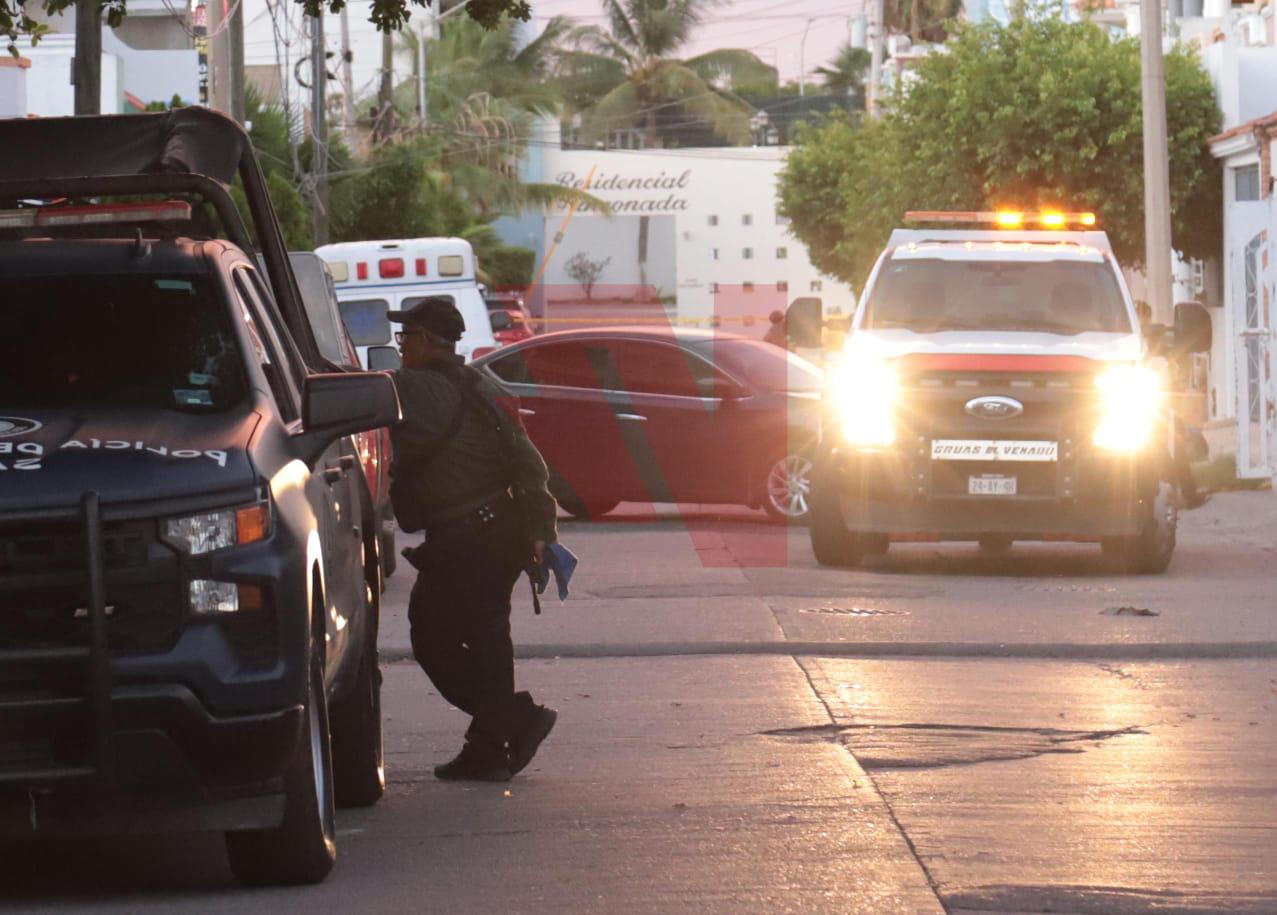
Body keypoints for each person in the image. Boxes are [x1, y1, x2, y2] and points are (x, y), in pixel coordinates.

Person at [389, 296, 559, 781]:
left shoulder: (419, 389)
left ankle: (514, 720)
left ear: (426, 342)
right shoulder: (479, 383)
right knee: (488, 640)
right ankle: (489, 747)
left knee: (431, 637)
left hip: (469, 537)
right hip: (497, 531)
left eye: (407, 338)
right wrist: (540, 529)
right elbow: (529, 459)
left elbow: (365, 396)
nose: (401, 348)